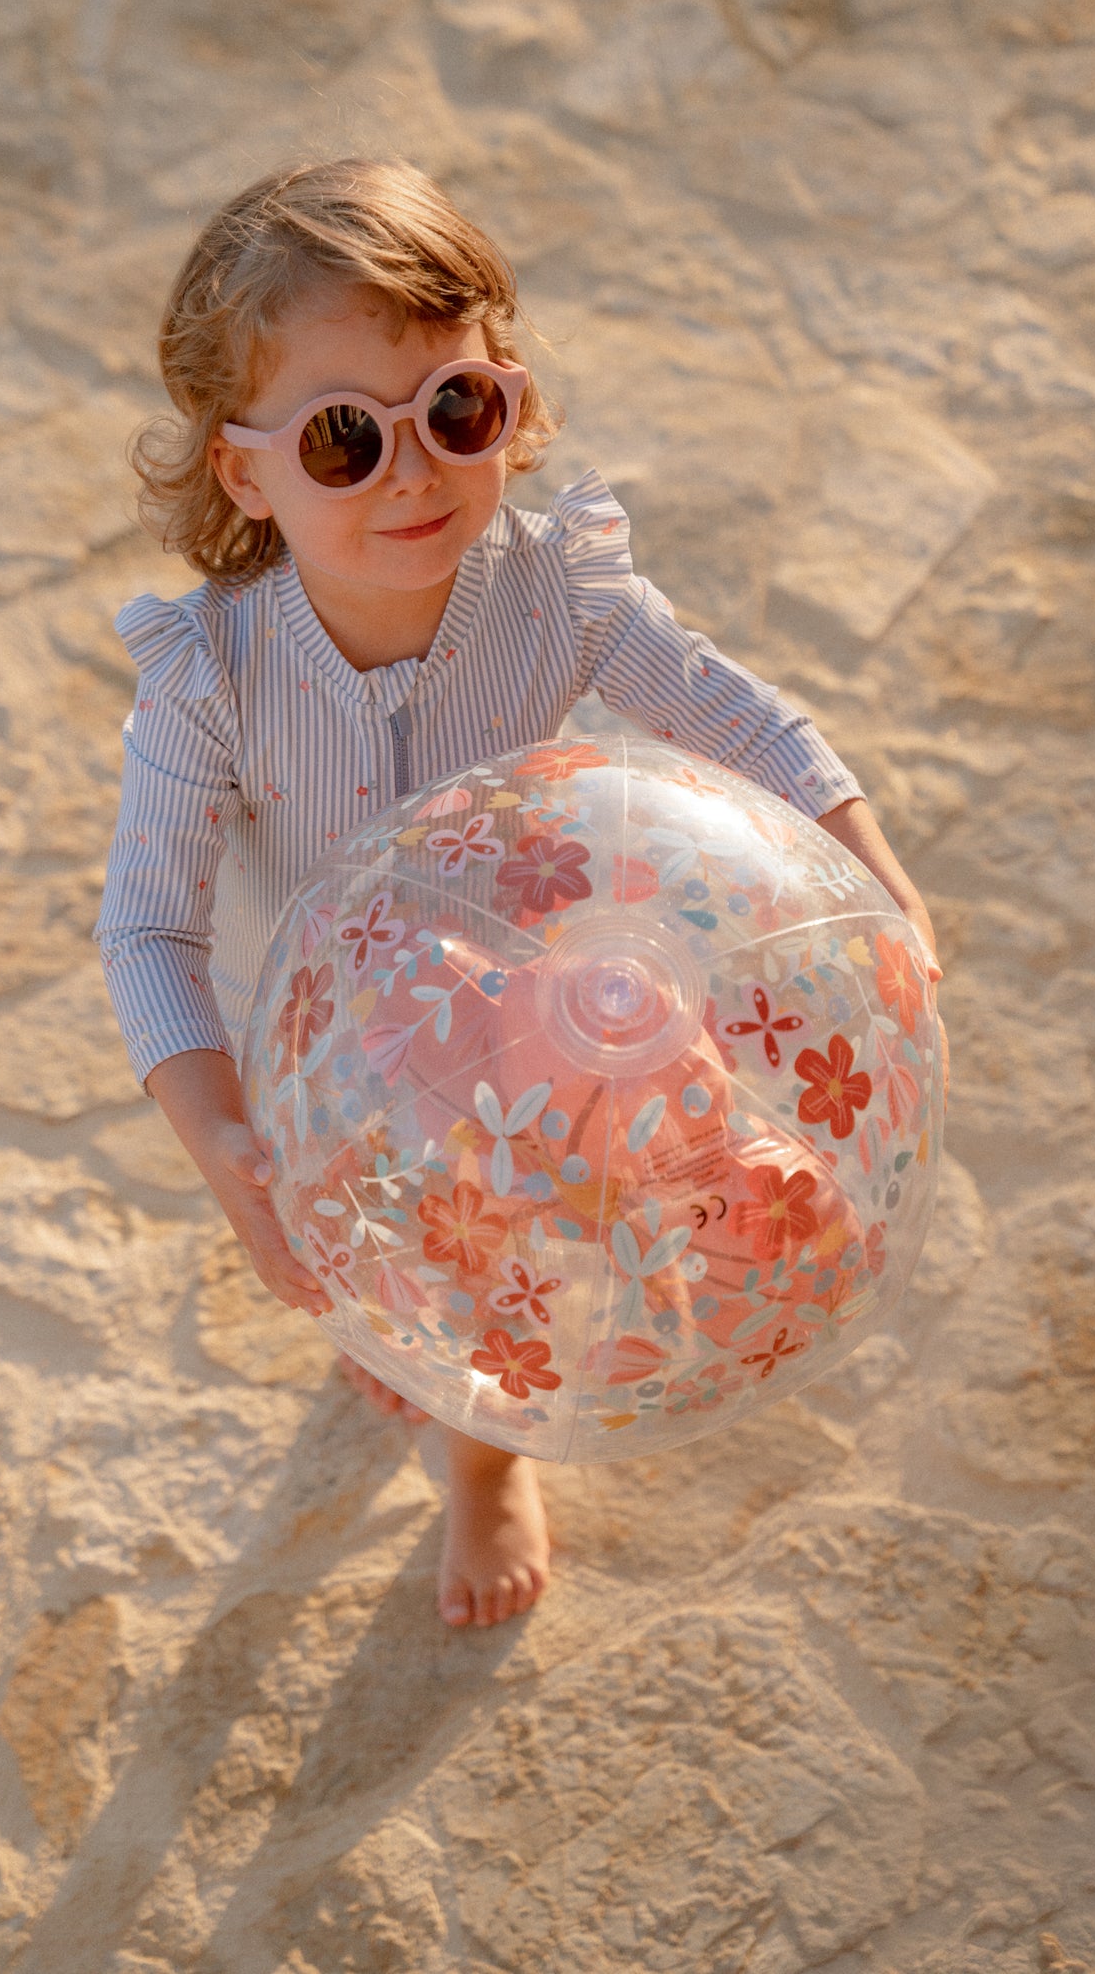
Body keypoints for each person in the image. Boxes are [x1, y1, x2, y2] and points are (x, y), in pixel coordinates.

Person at [94, 157, 942, 1630]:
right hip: (332, 1041)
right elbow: (145, 927)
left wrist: (870, 867)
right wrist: (220, 1128)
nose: (413, 473)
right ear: (244, 472)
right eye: (343, 441)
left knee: (552, 1201)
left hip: (549, 985)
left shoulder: (559, 590)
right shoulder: (214, 683)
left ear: (509, 400)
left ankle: (679, 1256)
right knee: (427, 1242)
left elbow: (738, 717)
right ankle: (465, 1435)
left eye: (455, 412)